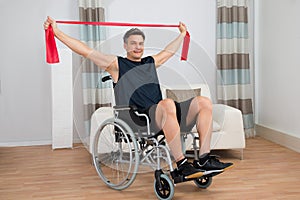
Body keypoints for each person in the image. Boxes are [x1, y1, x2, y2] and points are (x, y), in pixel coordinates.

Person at [44, 16, 232, 179]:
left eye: (140, 43)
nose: (137, 47)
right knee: (167, 103)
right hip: (140, 119)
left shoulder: (150, 62)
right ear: (125, 45)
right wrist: (57, 32)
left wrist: (182, 35)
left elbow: (168, 52)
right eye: (133, 43)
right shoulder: (117, 65)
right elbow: (85, 51)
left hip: (165, 114)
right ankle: (181, 165)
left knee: (203, 102)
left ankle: (204, 158)